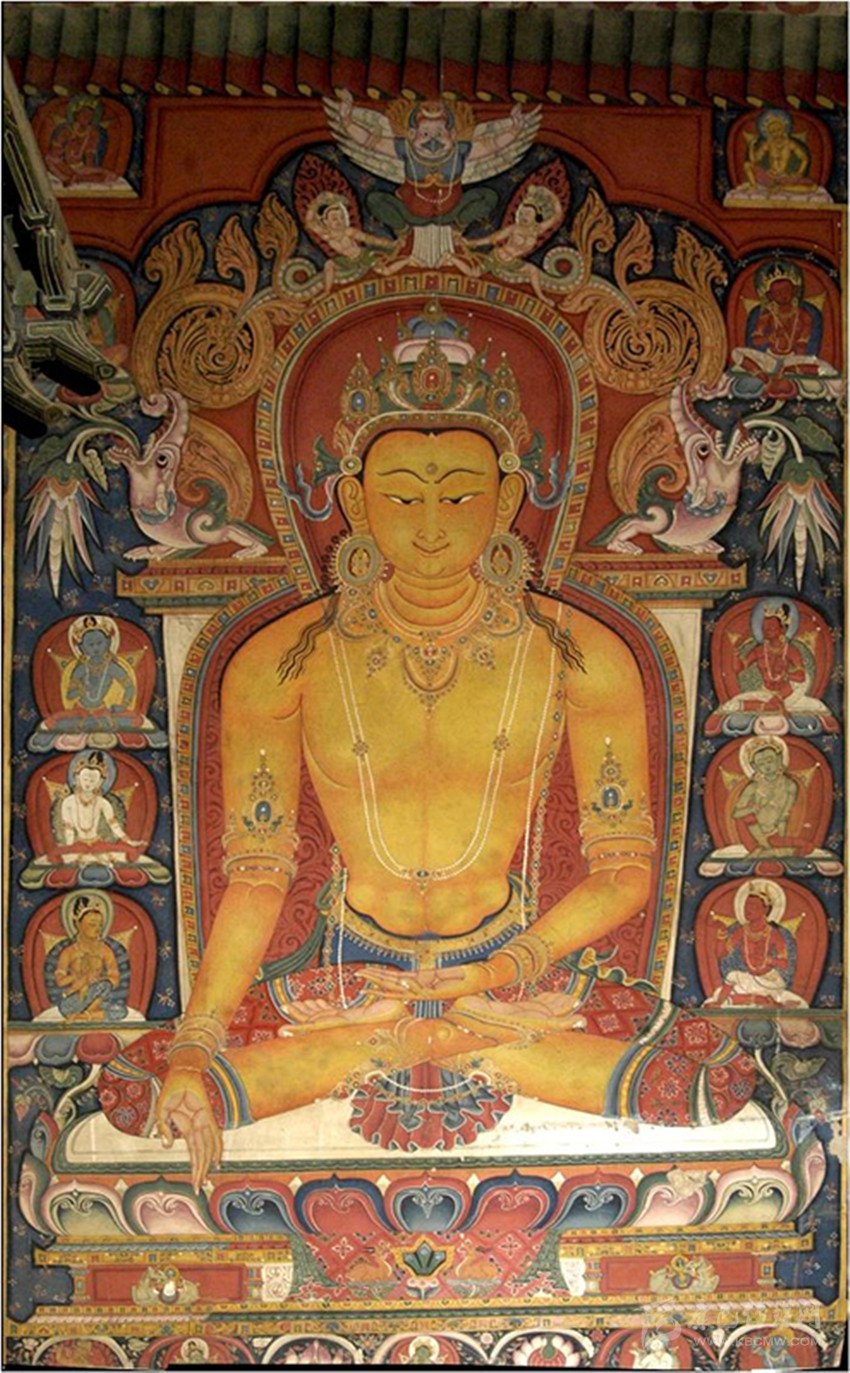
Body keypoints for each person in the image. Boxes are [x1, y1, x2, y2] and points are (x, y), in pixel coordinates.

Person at [99, 310, 756, 1188]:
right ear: (356, 501)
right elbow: (257, 875)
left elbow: (622, 870)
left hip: (512, 965)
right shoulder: (284, 659)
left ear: (509, 501)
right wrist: (196, 1042)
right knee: (142, 1089)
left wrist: (504, 965)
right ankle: (430, 1040)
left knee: (713, 1079)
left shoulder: (577, 651)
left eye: (462, 496)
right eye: (405, 497)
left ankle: (419, 1041)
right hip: (349, 970)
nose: (434, 525)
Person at [51, 894, 126, 1020]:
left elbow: (114, 978)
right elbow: (59, 981)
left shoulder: (105, 950)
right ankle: (84, 1014)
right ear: (78, 925)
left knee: (120, 1010)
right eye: (92, 925)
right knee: (67, 1007)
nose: (98, 929)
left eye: (100, 925)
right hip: (74, 999)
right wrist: (80, 977)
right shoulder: (69, 952)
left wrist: (97, 980)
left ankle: (81, 1016)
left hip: (97, 997)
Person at [732, 739, 799, 856]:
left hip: (775, 833)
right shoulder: (753, 787)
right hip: (753, 835)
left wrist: (781, 840)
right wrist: (752, 809)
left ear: (779, 759)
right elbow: (736, 814)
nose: (767, 766)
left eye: (769, 761)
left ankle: (767, 851)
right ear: (755, 767)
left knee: (805, 847)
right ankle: (766, 849)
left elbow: (784, 816)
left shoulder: (790, 786)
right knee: (748, 817)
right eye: (761, 764)